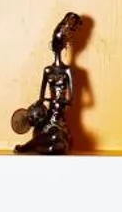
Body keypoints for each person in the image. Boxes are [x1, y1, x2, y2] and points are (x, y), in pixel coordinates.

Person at [12, 12, 83, 154]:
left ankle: (29, 147)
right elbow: (41, 96)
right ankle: (27, 147)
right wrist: (38, 106)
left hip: (60, 122)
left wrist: (62, 101)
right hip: (47, 120)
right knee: (50, 138)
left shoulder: (67, 70)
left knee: (58, 142)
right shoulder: (47, 70)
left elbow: (72, 99)